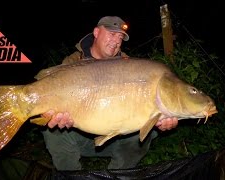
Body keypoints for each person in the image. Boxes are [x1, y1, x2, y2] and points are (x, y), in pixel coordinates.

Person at [40, 16, 178, 171]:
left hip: (115, 142)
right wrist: (59, 118)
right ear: (96, 32)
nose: (116, 41)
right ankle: (70, 174)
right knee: (52, 131)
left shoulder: (129, 66)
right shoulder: (73, 62)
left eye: (120, 37)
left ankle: (118, 174)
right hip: (79, 137)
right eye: (112, 34)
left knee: (146, 133)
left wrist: (161, 119)